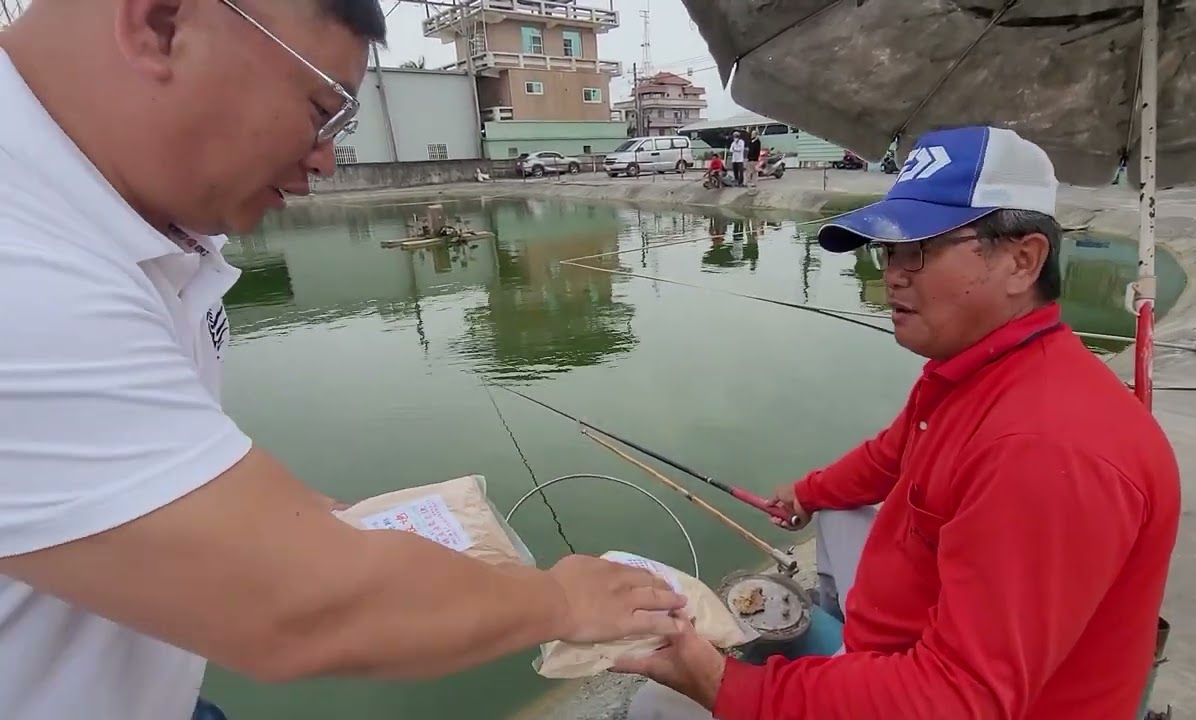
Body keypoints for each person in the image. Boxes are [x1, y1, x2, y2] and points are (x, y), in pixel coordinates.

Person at [0, 3, 687, 720]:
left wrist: (307, 522)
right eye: (319, 109)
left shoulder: (134, 221)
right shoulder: (23, 272)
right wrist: (559, 600)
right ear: (162, 24)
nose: (325, 159)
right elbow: (290, 605)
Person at [618, 125, 1181, 719]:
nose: (892, 274)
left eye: (918, 249)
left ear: (1023, 260)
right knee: (842, 506)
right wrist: (807, 493)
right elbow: (890, 457)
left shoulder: (1045, 448)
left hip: (949, 694)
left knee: (659, 710)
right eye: (887, 252)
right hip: (899, 653)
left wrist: (721, 683)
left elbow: (955, 700)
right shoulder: (973, 371)